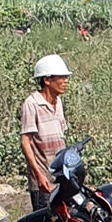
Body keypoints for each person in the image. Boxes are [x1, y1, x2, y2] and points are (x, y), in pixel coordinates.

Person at [21, 54, 72, 207]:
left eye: (66, 77)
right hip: (43, 180)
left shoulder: (59, 102)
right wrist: (39, 175)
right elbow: (26, 142)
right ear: (47, 80)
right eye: (61, 78)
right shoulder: (32, 104)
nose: (65, 81)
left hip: (60, 177)